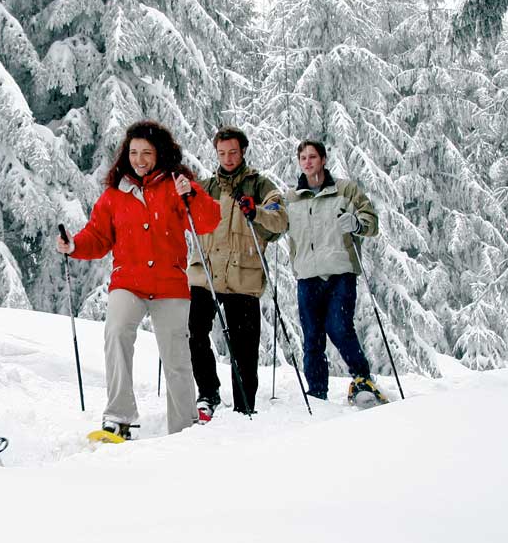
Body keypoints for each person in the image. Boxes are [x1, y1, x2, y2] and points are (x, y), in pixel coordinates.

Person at [56, 120, 221, 438]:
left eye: (147, 152)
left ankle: (184, 425)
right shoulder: (114, 194)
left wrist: (193, 196)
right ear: (125, 155)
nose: (140, 159)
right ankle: (118, 417)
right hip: (128, 281)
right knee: (116, 332)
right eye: (134, 152)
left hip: (169, 283)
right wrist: (74, 245)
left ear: (160, 153)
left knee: (175, 353)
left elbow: (208, 220)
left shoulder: (177, 184)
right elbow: (98, 237)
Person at [186, 127, 289, 420]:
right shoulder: (205, 187)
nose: (227, 158)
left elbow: (281, 221)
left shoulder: (260, 185)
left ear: (243, 151)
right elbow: (184, 217)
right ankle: (208, 392)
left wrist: (256, 211)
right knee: (194, 332)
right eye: (222, 153)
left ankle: (245, 403)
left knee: (244, 347)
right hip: (205, 272)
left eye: (233, 152)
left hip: (242, 275)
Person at [284, 140, 389, 405]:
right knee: (312, 336)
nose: (307, 162)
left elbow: (371, 222)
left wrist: (357, 223)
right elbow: (274, 226)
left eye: (312, 157)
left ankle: (362, 379)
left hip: (341, 271)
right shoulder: (292, 198)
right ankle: (317, 391)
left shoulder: (345, 190)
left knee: (339, 327)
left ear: (323, 159)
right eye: (303, 158)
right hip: (307, 275)